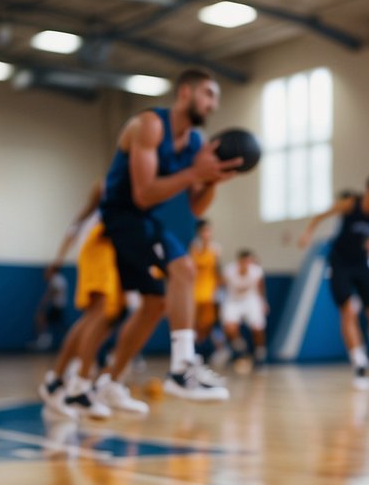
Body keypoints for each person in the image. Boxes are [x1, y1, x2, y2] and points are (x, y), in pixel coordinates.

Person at [91, 68, 242, 402]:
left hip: (154, 221)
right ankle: (182, 369)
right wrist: (194, 172)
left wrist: (211, 180)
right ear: (185, 92)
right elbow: (143, 194)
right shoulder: (150, 125)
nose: (213, 105)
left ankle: (109, 383)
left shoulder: (195, 143)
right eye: (208, 95)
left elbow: (194, 207)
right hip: (125, 215)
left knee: (155, 304)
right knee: (183, 269)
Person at [37, 179, 146, 419]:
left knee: (107, 316)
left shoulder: (95, 212)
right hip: (101, 248)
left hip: (109, 252)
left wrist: (58, 259)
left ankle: (57, 382)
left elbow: (72, 231)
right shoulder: (112, 194)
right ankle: (80, 384)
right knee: (100, 313)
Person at [298, 175, 369, 390]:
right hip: (340, 263)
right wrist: (307, 234)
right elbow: (319, 216)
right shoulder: (350, 204)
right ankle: (359, 364)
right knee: (348, 311)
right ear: (368, 191)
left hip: (362, 263)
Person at [188, 219, 228, 365]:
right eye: (204, 230)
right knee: (193, 325)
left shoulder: (215, 248)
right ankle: (190, 354)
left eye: (209, 230)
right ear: (199, 232)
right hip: (194, 292)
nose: (207, 234)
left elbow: (218, 269)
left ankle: (221, 350)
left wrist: (220, 289)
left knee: (211, 324)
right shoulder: (192, 247)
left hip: (210, 292)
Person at [221, 249, 269, 366]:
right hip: (233, 300)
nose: (248, 264)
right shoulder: (229, 270)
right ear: (239, 261)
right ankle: (242, 350)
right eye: (245, 261)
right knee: (230, 328)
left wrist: (263, 302)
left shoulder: (256, 271)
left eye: (250, 261)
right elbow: (221, 285)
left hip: (251, 300)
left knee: (258, 327)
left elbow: (260, 286)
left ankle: (260, 354)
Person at [31, 269, 68, 351]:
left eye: (47, 272)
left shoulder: (57, 279)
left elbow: (56, 291)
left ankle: (44, 340)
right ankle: (44, 339)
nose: (45, 273)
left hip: (58, 306)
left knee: (42, 319)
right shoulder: (55, 280)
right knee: (47, 321)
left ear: (52, 271)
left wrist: (45, 301)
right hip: (57, 305)